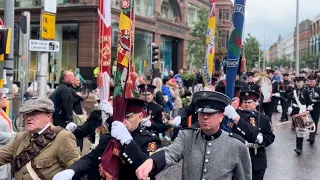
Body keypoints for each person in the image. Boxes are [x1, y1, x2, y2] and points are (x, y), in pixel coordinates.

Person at [135, 91, 252, 180]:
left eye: (210, 113)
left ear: (221, 116)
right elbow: (171, 152)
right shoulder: (187, 137)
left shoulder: (236, 145)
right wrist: (152, 162)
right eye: (202, 113)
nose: (205, 117)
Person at [53, 98, 162, 180]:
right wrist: (72, 170)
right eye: (120, 116)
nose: (123, 121)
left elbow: (147, 170)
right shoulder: (109, 138)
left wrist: (128, 142)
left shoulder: (149, 140)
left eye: (128, 116)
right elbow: (90, 159)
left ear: (140, 117)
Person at [0, 97, 80, 180]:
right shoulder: (19, 137)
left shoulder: (63, 137)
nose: (28, 118)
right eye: (26, 114)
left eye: (34, 114)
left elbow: (74, 170)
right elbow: (1, 157)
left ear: (48, 117)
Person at [240, 88, 275, 180]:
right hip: (240, 156)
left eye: (250, 102)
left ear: (256, 103)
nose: (246, 104)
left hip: (257, 156)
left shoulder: (263, 118)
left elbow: (270, 136)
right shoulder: (236, 116)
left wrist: (263, 138)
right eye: (244, 102)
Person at [288, 76, 313, 155]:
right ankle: (299, 147)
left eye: (300, 82)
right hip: (295, 111)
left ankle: (299, 148)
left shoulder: (306, 91)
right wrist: (289, 107)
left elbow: (309, 101)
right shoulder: (293, 91)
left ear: (303, 83)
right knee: (297, 129)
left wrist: (309, 106)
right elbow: (289, 100)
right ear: (296, 83)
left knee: (300, 130)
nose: (299, 83)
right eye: (298, 82)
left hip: (303, 111)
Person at [0, 91, 15, 180]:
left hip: (6, 149)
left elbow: (9, 127)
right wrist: (14, 136)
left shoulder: (2, 111)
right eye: (5, 97)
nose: (7, 99)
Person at [306, 75, 320, 144]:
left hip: (316, 108)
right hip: (308, 108)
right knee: (308, 122)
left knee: (315, 121)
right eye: (310, 81)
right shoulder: (306, 89)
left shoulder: (318, 89)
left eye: (313, 81)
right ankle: (310, 134)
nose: (311, 83)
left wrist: (317, 100)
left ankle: (312, 136)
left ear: (316, 82)